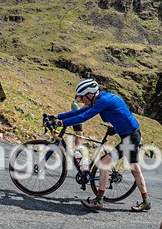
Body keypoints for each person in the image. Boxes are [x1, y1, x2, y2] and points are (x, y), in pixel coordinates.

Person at [53, 79, 150, 211]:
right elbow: (79, 112)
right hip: (129, 133)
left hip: (131, 137)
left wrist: (61, 123)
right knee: (135, 169)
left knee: (104, 163)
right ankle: (146, 201)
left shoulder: (103, 101)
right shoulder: (99, 99)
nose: (81, 100)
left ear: (90, 95)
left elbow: (83, 117)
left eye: (82, 97)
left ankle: (99, 200)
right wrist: (57, 116)